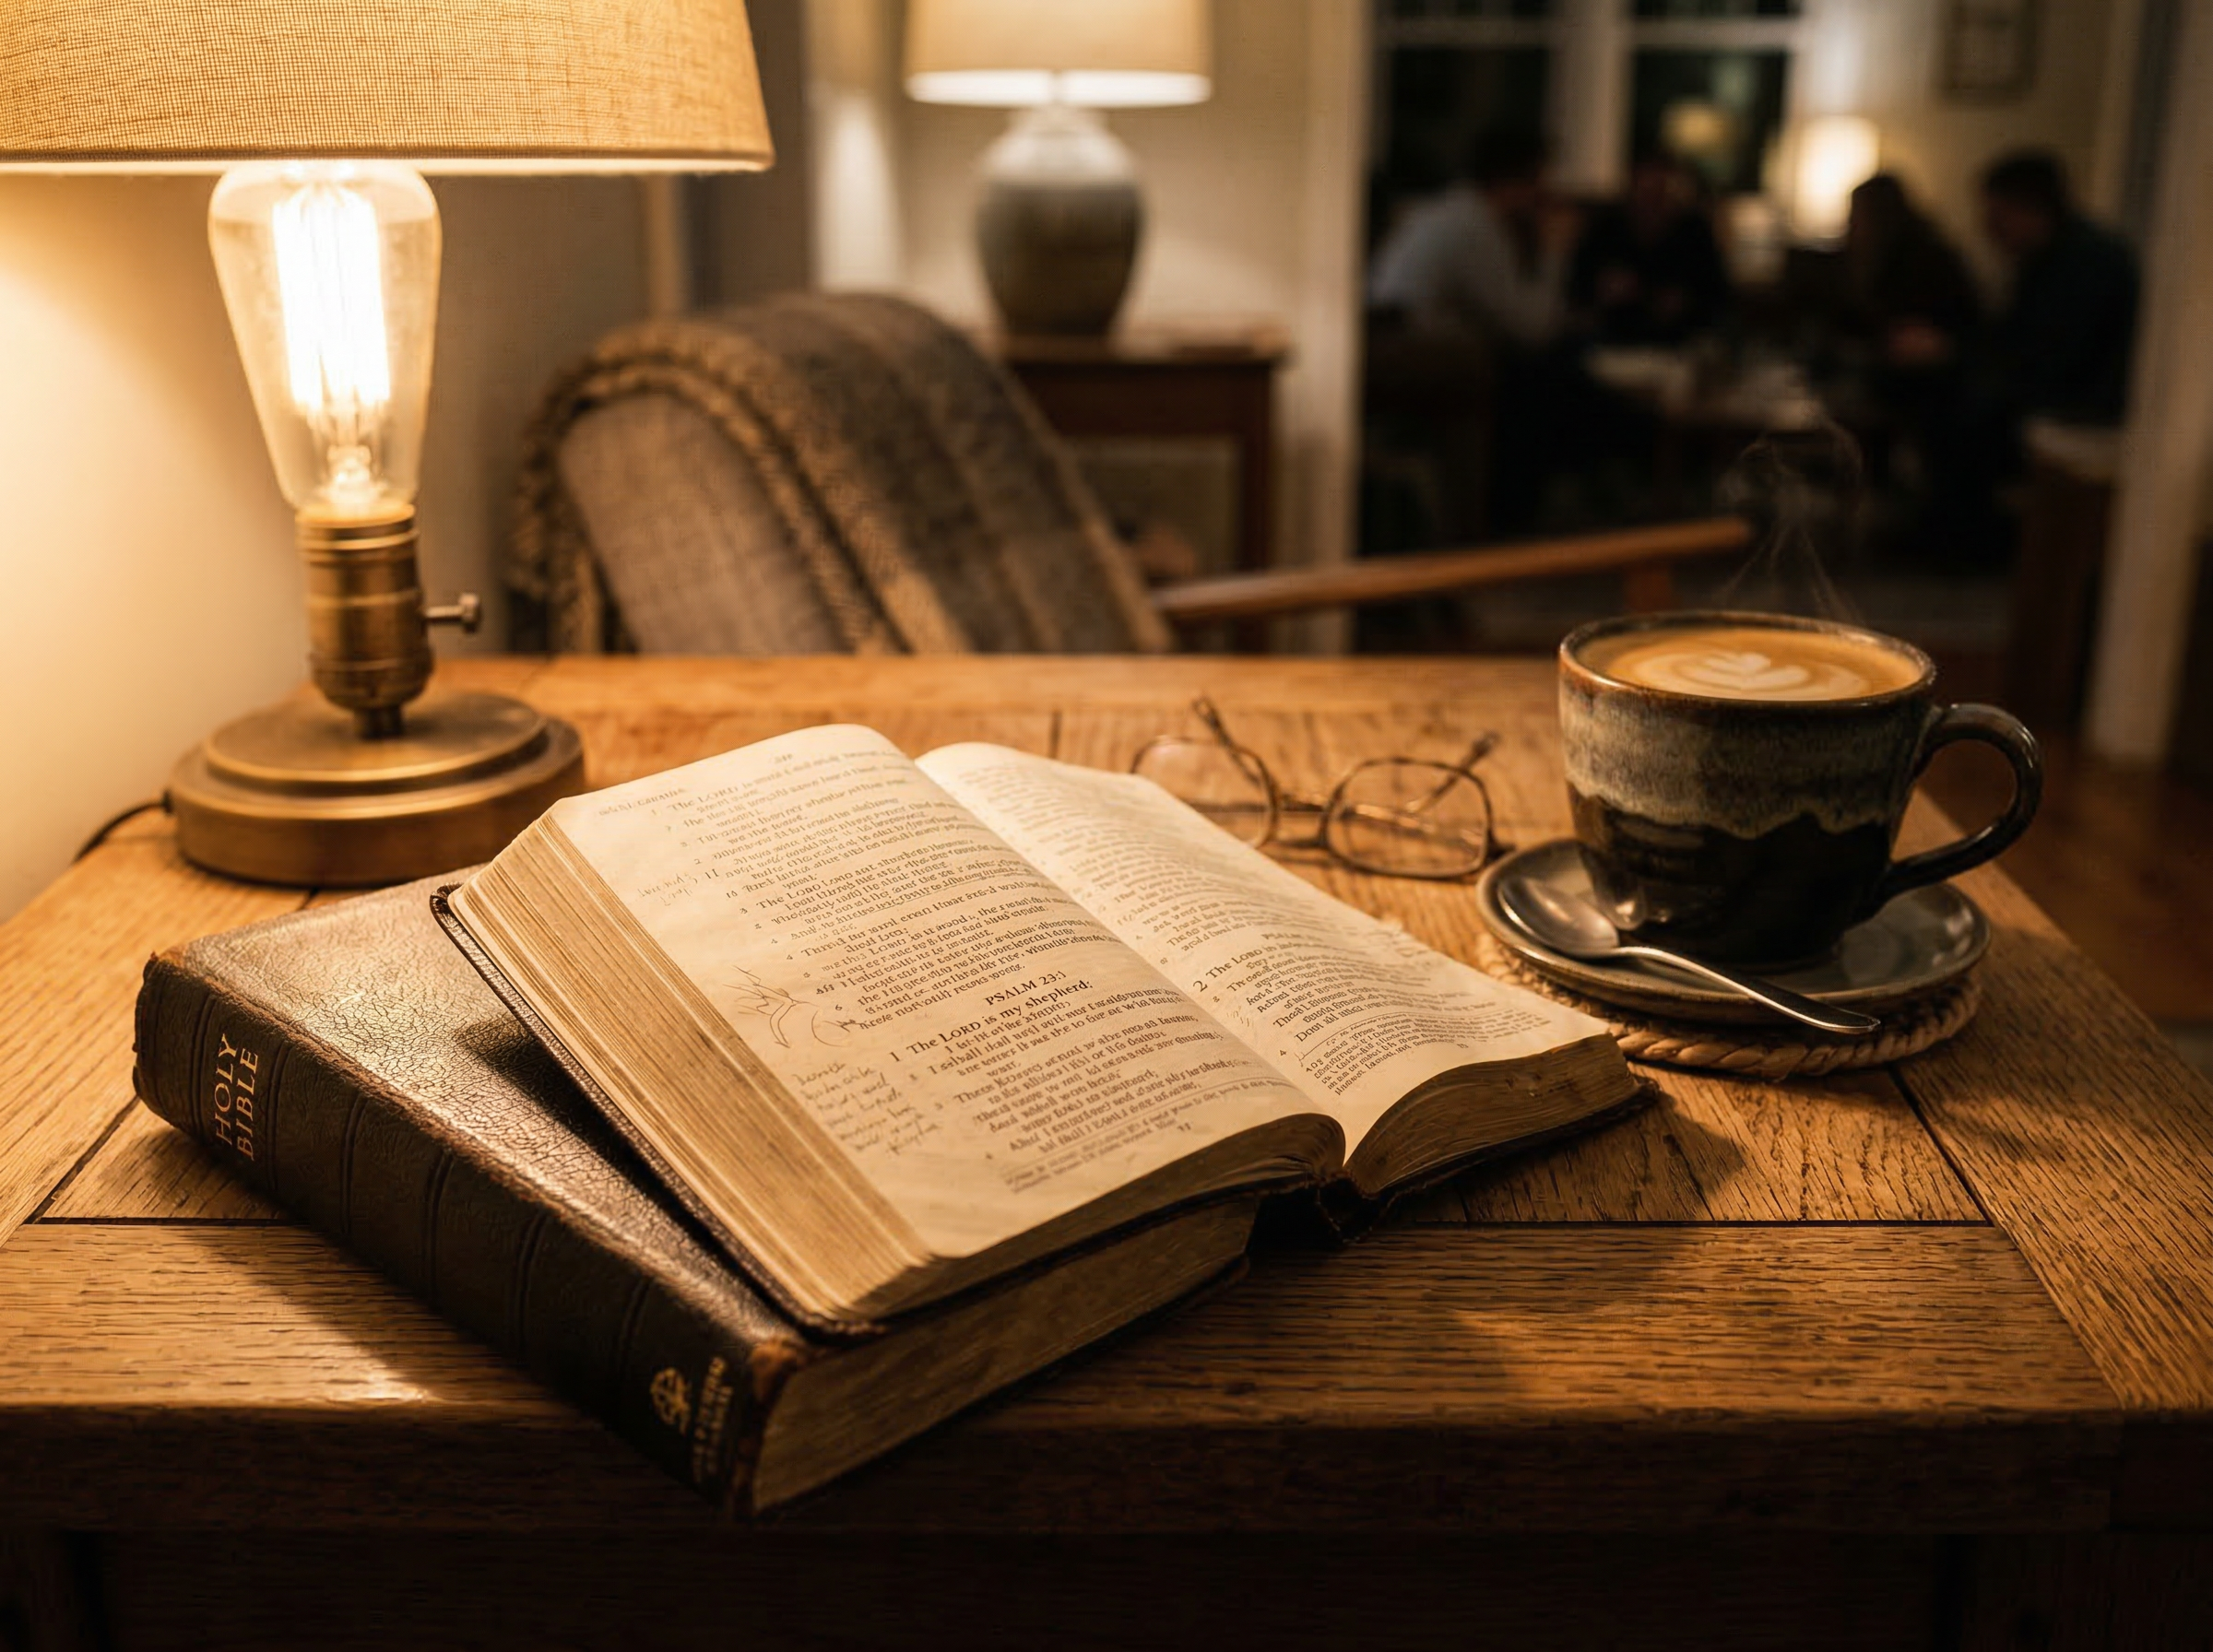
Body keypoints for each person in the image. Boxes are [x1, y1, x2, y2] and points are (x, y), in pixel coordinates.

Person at [1367, 125, 1578, 350]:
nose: (1547, 193)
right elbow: (1533, 328)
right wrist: (1554, 251)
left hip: (1399, 346)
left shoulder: (1451, 209)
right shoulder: (1474, 228)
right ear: (1519, 180)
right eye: (1542, 180)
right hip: (1418, 359)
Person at [1978, 148, 2139, 426]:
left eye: (1997, 214)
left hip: (2082, 408)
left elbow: (2053, 361)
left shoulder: (2089, 263)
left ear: (2029, 208)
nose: (1988, 228)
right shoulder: (2054, 257)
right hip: (2064, 396)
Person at [1568, 151, 1731, 346]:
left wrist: (1685, 302)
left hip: (1679, 342)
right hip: (1612, 341)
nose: (1652, 199)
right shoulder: (1607, 228)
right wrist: (1602, 291)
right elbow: (1577, 288)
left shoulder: (1693, 230)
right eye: (1646, 187)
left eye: (1660, 189)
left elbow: (1718, 295)